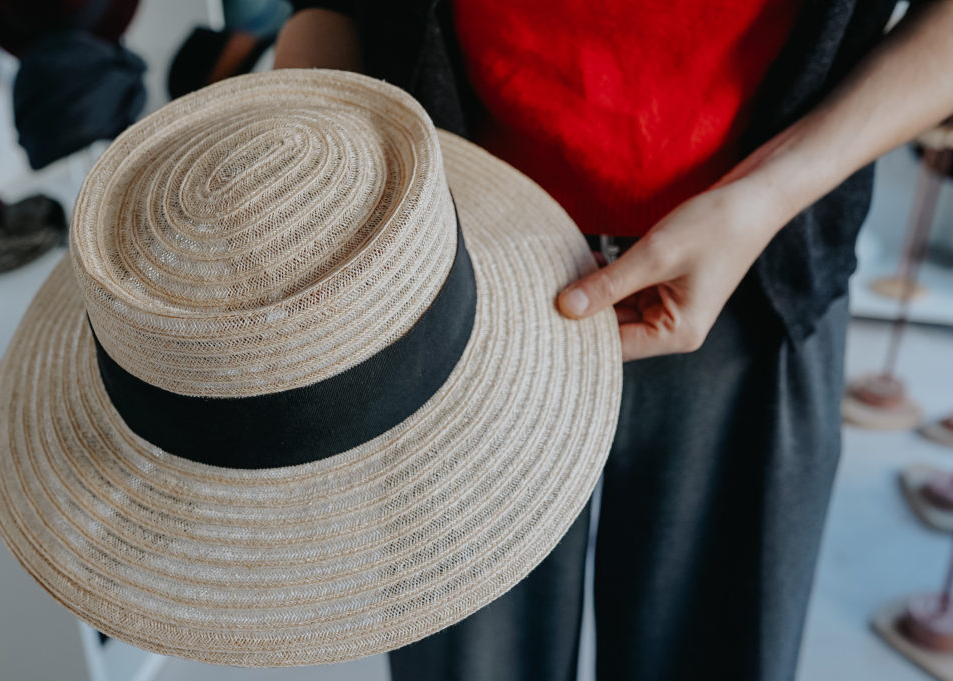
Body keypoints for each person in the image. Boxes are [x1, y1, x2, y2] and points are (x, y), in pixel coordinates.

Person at [272, 2, 953, 680]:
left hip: (757, 279)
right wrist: (328, 186)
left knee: (717, 652)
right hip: (457, 277)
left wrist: (771, 192)